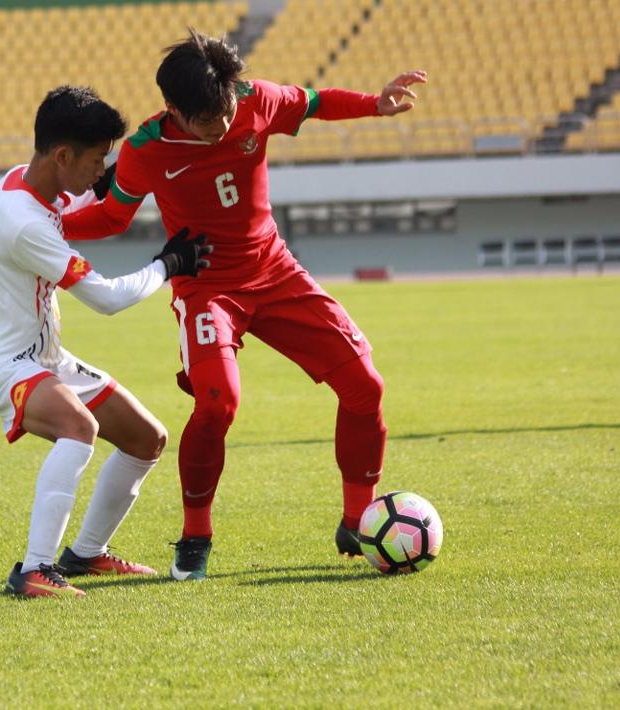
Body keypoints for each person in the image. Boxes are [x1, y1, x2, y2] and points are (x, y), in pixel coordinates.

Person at [62, 30, 427, 580]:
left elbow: (317, 102)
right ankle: (195, 535)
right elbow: (113, 216)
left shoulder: (257, 100)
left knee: (365, 386)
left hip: (276, 271)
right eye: (206, 119)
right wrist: (45, 225)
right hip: (207, 288)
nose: (221, 125)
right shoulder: (146, 149)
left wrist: (375, 105)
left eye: (226, 110)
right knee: (217, 402)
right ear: (173, 110)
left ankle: (357, 519)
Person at [0, 86, 211, 598]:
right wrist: (169, 264)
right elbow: (106, 299)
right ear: (62, 155)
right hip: (1, 362)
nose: (102, 170)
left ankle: (85, 554)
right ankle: (35, 569)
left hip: (44, 356)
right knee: (80, 426)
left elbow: (74, 193)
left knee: (147, 438)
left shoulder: (23, 180)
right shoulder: (25, 223)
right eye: (97, 160)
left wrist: (105, 185)